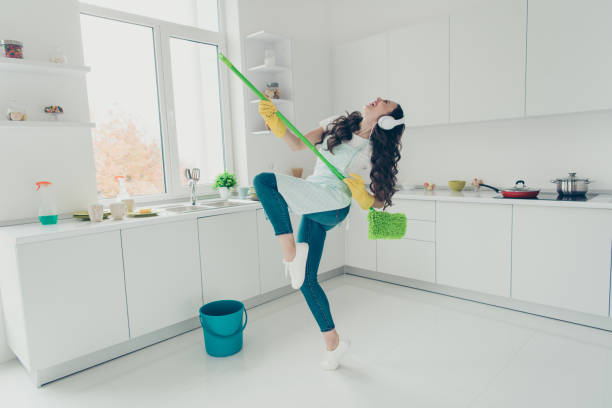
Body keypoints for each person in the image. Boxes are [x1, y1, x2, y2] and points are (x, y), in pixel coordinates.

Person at [253, 97, 405, 370]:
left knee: (264, 181)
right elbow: (297, 143)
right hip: (315, 199)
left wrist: (363, 195)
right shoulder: (338, 123)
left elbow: (380, 200)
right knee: (306, 280)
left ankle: (290, 253)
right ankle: (334, 343)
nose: (378, 99)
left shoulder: (375, 152)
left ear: (387, 120)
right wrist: (277, 124)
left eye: (386, 102)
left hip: (334, 205)